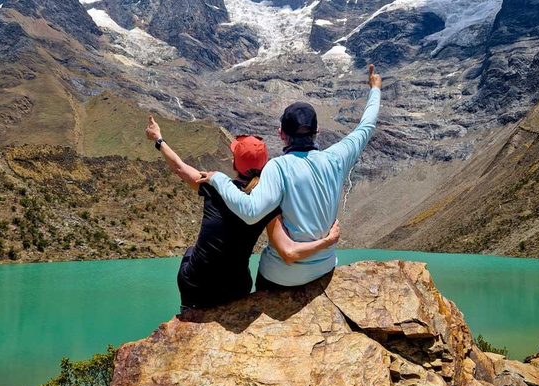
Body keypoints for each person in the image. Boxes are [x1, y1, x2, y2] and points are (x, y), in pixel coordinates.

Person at [197, 64, 382, 290]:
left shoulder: (278, 167)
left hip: (281, 277)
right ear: (317, 131)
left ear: (281, 134)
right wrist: (375, 89)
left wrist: (218, 179)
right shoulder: (337, 158)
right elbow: (366, 125)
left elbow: (250, 212)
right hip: (323, 268)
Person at [145, 116, 341, 311]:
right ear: (265, 165)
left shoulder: (213, 186)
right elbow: (289, 251)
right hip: (236, 287)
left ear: (234, 163)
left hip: (197, 284)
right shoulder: (269, 204)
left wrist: (158, 139)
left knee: (190, 252)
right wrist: (327, 241)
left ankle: (190, 316)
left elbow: (179, 167)